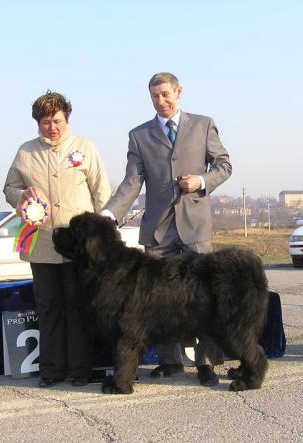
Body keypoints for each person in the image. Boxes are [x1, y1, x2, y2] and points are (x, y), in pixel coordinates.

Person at [102, 72, 232, 387]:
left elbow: (224, 165)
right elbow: (132, 182)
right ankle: (170, 361)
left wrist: (200, 181)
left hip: (195, 228)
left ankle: (206, 364)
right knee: (158, 300)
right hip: (158, 233)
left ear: (179, 92)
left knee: (203, 299)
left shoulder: (203, 124)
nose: (161, 102)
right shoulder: (139, 135)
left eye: (165, 94)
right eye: (154, 97)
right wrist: (109, 214)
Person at [4, 91, 111, 388]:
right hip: (43, 244)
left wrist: (103, 232)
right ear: (37, 122)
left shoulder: (84, 147)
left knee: (78, 307)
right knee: (49, 307)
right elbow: (9, 187)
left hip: (80, 248)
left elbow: (102, 191)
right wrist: (20, 195)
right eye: (45, 122)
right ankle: (51, 369)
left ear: (67, 118)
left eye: (57, 121)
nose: (52, 127)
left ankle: (80, 370)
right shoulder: (25, 152)